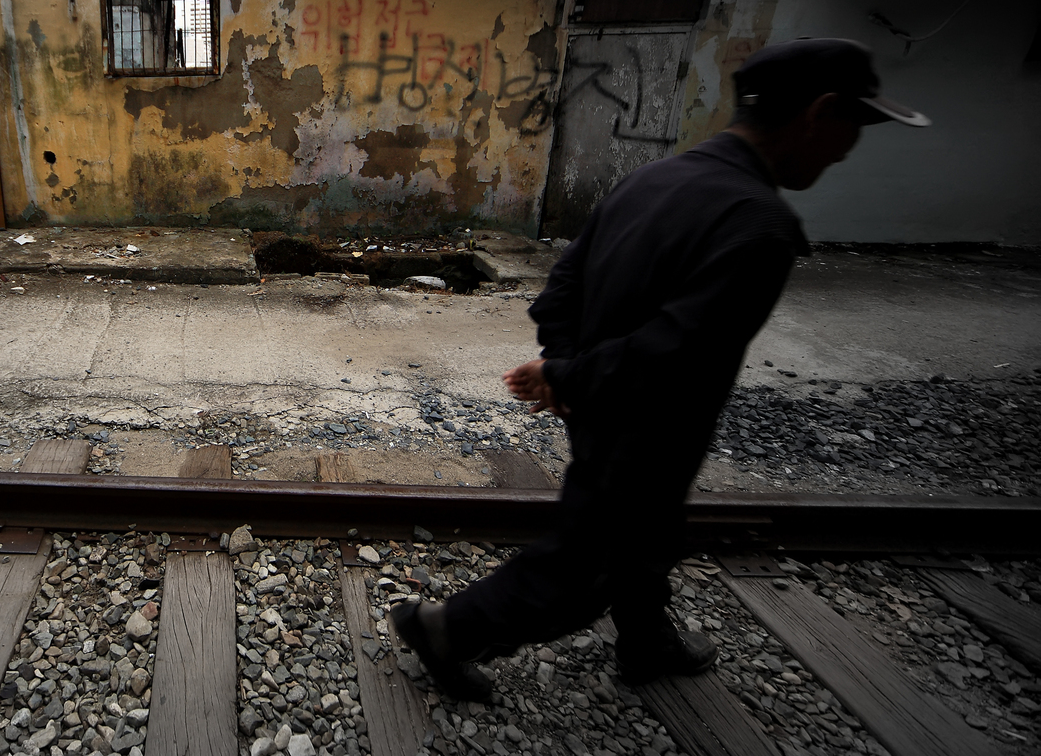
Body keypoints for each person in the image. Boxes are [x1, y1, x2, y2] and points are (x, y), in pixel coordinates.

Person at [394, 38, 930, 699]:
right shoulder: (758, 223)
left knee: (648, 533)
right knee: (585, 561)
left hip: (598, 403)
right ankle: (443, 629)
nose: (849, 149)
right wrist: (566, 375)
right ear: (818, 114)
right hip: (648, 419)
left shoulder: (652, 179)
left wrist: (564, 366)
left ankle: (646, 638)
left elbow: (562, 287)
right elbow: (672, 352)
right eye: (856, 125)